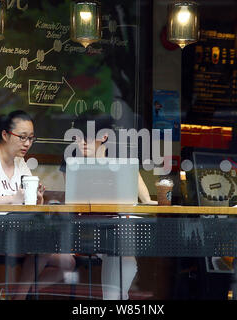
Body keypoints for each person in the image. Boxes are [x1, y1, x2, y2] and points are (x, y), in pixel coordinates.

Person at [0, 110, 75, 299]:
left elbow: (26, 204)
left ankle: (19, 293)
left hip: (17, 230)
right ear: (5, 135)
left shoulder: (20, 163)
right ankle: (20, 296)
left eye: (31, 138)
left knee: (68, 262)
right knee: (44, 244)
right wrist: (12, 199)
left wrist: (37, 199)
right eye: (22, 137)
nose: (27, 143)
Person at [60, 110, 157, 300]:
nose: (81, 143)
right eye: (77, 137)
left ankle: (112, 299)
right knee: (121, 250)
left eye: (86, 137)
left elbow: (134, 179)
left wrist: (146, 200)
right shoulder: (71, 156)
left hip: (115, 221)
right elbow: (73, 197)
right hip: (86, 225)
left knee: (118, 248)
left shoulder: (118, 154)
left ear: (103, 136)